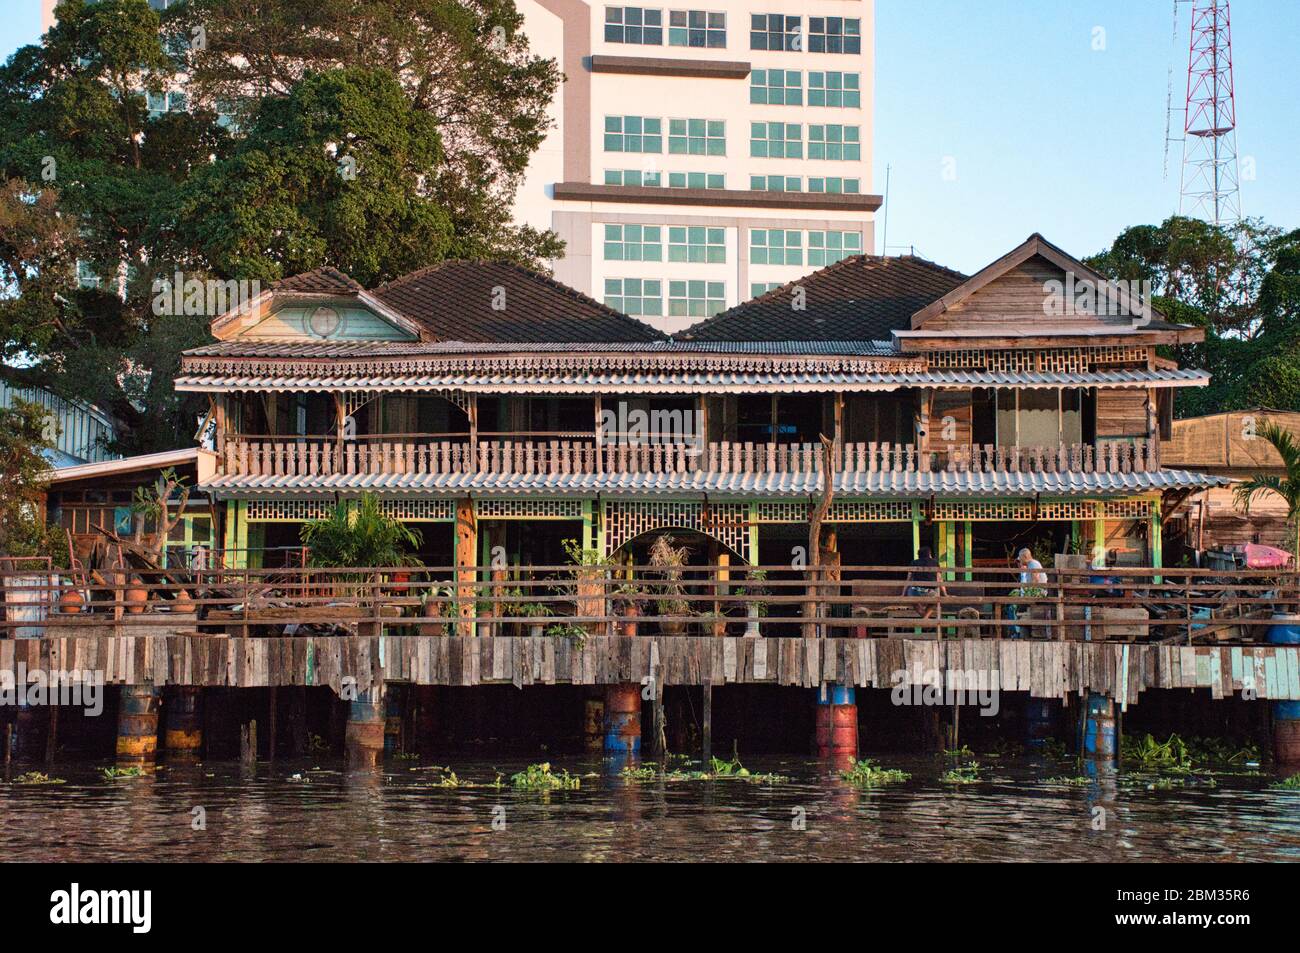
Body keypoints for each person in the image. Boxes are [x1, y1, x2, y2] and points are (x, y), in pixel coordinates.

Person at [1006, 547, 1048, 639]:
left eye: (1020, 558)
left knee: (1013, 606)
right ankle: (1017, 631)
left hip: (1038, 593)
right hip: (1035, 592)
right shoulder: (1031, 564)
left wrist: (1027, 594)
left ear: (1025, 557)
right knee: (1013, 603)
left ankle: (1016, 633)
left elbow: (1035, 580)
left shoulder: (1033, 564)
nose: (1020, 560)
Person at [903, 546, 947, 619]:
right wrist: (945, 594)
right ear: (929, 554)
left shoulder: (914, 562)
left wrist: (903, 593)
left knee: (913, 600)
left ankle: (925, 619)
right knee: (935, 600)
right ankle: (925, 619)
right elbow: (939, 579)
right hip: (930, 591)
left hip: (915, 590)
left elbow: (908, 579)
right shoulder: (935, 562)